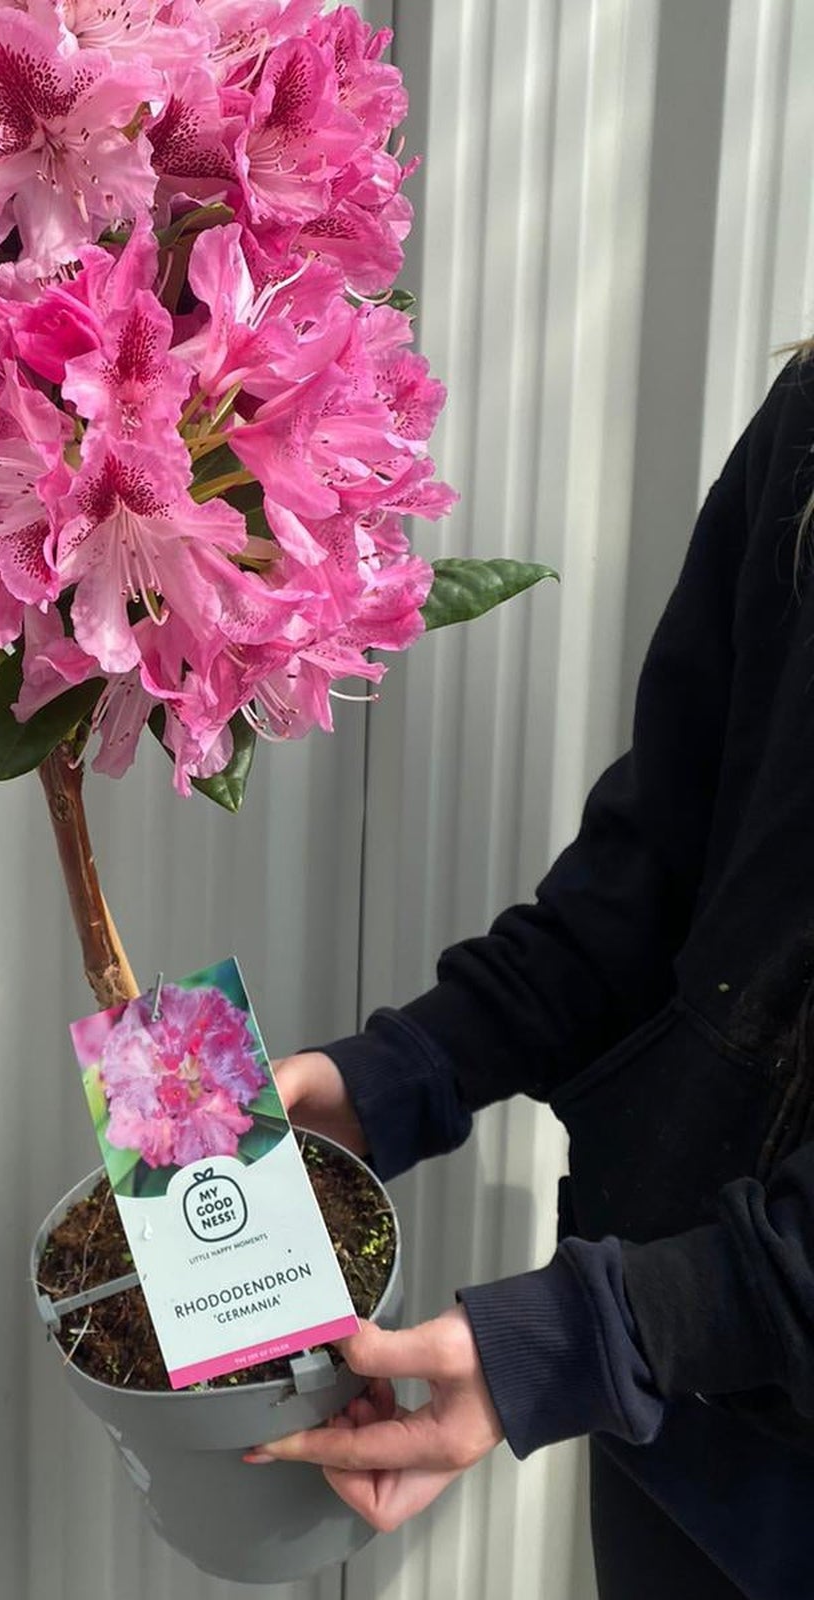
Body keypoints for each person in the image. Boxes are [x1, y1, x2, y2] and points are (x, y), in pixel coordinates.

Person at [256, 351, 814, 1600]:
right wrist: (389, 1077)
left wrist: (590, 1334)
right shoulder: (810, 425)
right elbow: (659, 870)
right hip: (685, 1417)